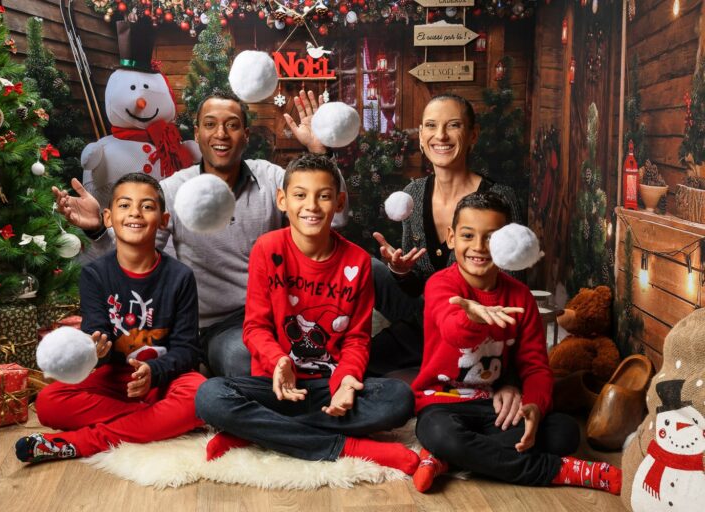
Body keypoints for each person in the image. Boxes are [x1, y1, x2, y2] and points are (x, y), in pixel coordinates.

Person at [52, 90, 344, 378]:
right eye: (210, 124)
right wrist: (97, 229)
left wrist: (321, 154)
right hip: (222, 326)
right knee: (248, 363)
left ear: (245, 135)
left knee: (356, 308)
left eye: (232, 125)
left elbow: (335, 220)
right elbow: (132, 257)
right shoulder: (173, 190)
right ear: (197, 133)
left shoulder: (271, 178)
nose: (221, 134)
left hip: (283, 311)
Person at [194, 154, 419, 474]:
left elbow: (356, 340)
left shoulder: (357, 262)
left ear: (339, 202)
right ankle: (348, 446)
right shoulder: (267, 249)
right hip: (277, 387)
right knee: (209, 395)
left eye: (323, 196)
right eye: (300, 195)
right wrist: (278, 361)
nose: (311, 206)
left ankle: (260, 431)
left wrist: (346, 381)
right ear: (282, 200)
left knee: (399, 400)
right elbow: (255, 327)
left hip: (329, 386)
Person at [410, 191, 622, 494]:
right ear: (451, 238)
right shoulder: (440, 285)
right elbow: (453, 332)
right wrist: (474, 318)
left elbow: (535, 367)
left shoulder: (520, 297)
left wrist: (533, 405)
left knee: (564, 433)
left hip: (494, 407)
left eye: (492, 238)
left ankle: (447, 458)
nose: (479, 247)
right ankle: (557, 470)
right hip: (443, 404)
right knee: (441, 434)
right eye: (468, 235)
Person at [15, 173, 206, 463]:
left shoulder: (180, 276)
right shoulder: (94, 275)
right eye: (125, 205)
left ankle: (78, 443)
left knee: (200, 395)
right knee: (48, 402)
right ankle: (155, 421)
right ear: (108, 217)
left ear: (163, 220)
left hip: (165, 378)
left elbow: (187, 350)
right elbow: (96, 332)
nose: (135, 213)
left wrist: (154, 372)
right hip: (116, 381)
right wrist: (96, 351)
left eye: (147, 206)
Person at [369, 92, 523, 430]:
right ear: (421, 136)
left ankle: (443, 385)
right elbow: (415, 290)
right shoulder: (413, 194)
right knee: (360, 363)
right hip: (425, 321)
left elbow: (510, 292)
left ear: (472, 135)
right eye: (430, 126)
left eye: (453, 125)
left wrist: (512, 377)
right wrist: (400, 271)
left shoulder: (499, 199)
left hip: (477, 332)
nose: (440, 135)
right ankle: (422, 379)